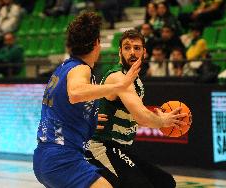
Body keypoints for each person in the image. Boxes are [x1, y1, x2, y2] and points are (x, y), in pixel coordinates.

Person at [33, 12, 142, 188]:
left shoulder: (63, 68)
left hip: (45, 157)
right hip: (62, 158)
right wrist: (118, 86)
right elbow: (75, 93)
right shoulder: (80, 69)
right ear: (97, 43)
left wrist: (87, 119)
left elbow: (63, 104)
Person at [85, 29, 187, 188]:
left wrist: (153, 117)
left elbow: (134, 114)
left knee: (165, 182)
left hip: (120, 148)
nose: (132, 52)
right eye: (127, 47)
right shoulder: (118, 77)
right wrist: (161, 121)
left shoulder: (136, 80)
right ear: (120, 52)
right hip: (101, 146)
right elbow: (141, 117)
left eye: (137, 48)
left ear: (144, 52)